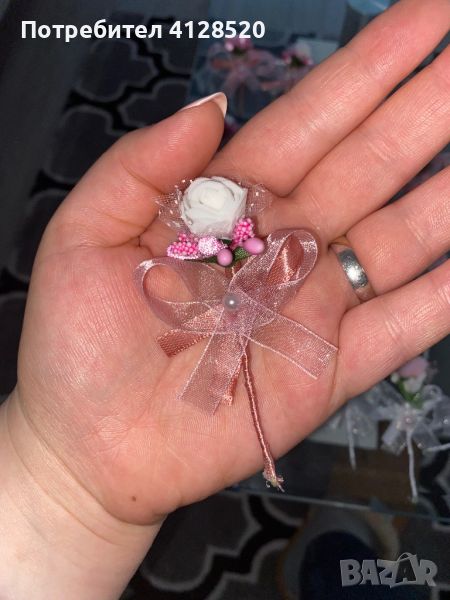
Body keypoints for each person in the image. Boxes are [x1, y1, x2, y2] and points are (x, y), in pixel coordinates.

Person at [0, 0, 449, 597]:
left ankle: (332, 557)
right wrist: (58, 472)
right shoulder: (210, 259)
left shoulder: (238, 252)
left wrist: (58, 483)